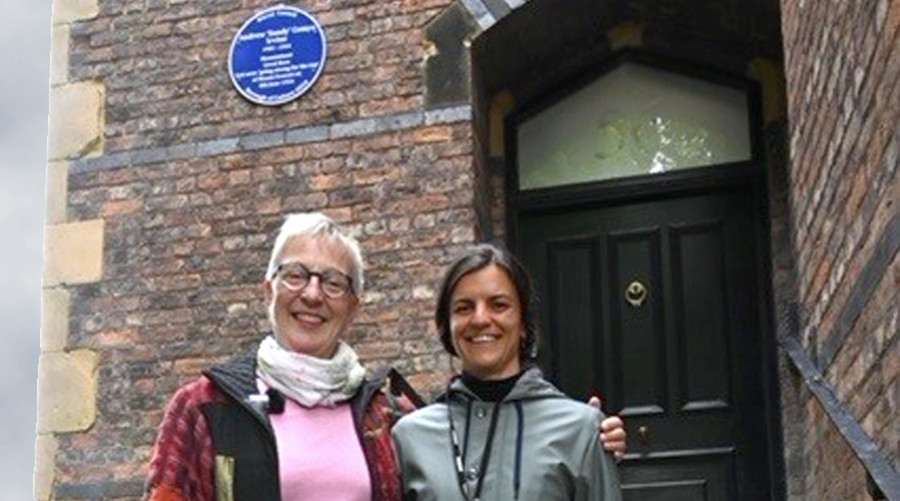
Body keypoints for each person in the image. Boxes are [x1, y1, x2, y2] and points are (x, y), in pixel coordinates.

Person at [144, 213, 625, 501]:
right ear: (268, 288)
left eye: (333, 282)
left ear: (353, 304)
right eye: (296, 276)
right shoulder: (205, 408)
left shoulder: (385, 415)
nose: (313, 294)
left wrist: (590, 434)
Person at [392, 244, 622, 500]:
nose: (480, 319)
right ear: (447, 325)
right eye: (464, 307)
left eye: (498, 305)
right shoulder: (408, 437)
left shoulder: (581, 432)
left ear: (524, 323)